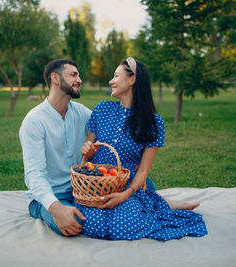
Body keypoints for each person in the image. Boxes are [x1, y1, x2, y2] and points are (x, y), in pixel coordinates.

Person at [77, 57, 207, 241]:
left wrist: (124, 195)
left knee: (124, 225)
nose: (111, 81)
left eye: (116, 76)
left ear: (132, 80)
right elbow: (88, 157)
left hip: (127, 186)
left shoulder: (153, 123)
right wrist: (88, 152)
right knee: (89, 224)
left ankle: (158, 204)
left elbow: (143, 170)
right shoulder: (101, 109)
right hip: (96, 186)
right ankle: (162, 203)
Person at [19, 59, 91, 236]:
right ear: (55, 78)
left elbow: (108, 132)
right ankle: (48, 210)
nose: (79, 80)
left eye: (78, 75)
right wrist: (55, 207)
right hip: (52, 196)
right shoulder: (34, 121)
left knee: (145, 185)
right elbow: (34, 173)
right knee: (73, 223)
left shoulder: (81, 112)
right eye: (74, 75)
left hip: (82, 189)